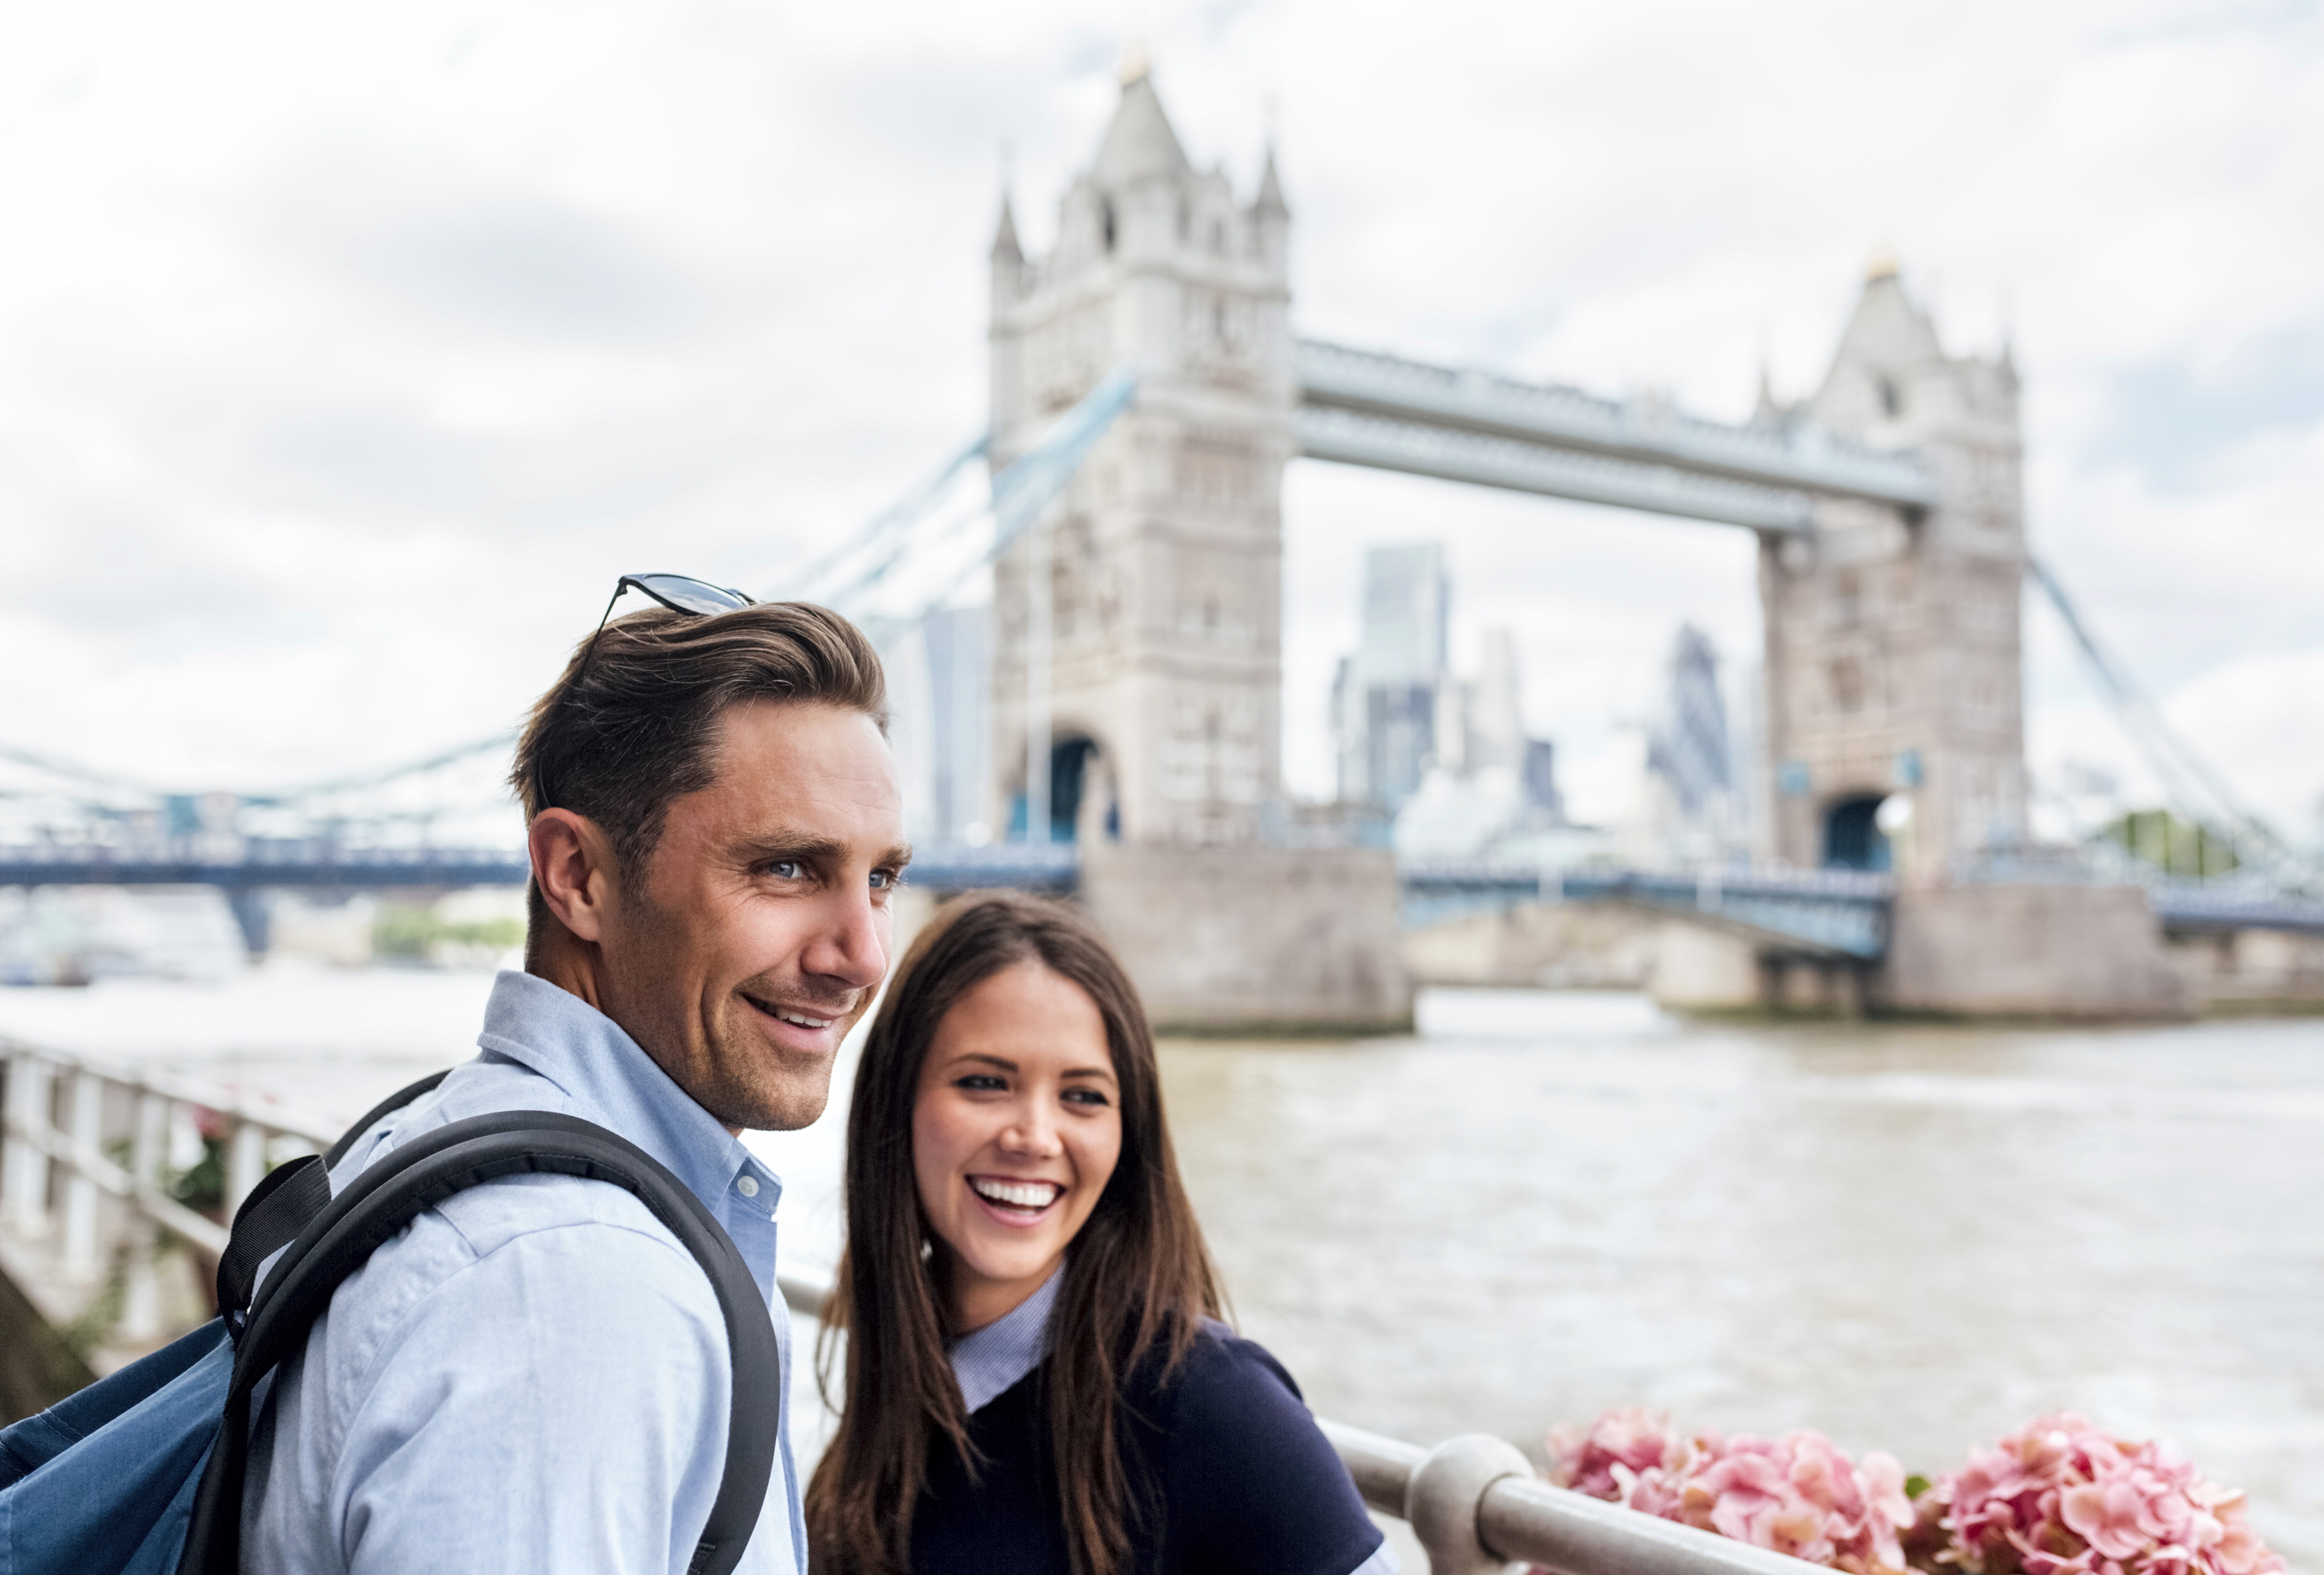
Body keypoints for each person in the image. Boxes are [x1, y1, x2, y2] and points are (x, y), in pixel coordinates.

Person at [244, 579, 911, 1572]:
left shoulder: (431, 1137)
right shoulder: (575, 1290)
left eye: (881, 879)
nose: (862, 955)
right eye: (786, 868)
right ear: (580, 877)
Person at [805, 891, 1394, 1575]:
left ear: (1127, 1133)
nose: (1033, 1136)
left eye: (1082, 1095)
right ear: (895, 1099)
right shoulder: (903, 1371)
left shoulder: (1211, 1401)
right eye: (984, 1082)